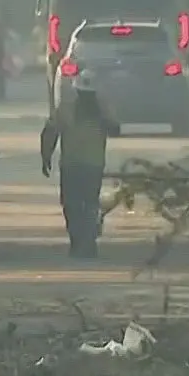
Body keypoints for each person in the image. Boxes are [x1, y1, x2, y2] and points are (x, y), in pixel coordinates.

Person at [40, 73, 117, 259]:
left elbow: (49, 133)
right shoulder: (69, 109)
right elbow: (50, 133)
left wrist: (46, 157)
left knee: (83, 205)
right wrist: (46, 157)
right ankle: (81, 241)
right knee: (78, 205)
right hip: (85, 165)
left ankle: (85, 241)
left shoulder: (96, 110)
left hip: (78, 166)